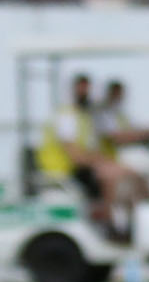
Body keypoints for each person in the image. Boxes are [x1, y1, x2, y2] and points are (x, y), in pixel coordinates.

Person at [35, 73, 138, 237]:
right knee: (111, 176)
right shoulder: (67, 116)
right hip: (63, 169)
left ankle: (130, 224)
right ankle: (111, 226)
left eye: (87, 89)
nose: (86, 94)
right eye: (82, 89)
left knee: (127, 174)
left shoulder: (83, 115)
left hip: (74, 166)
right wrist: (105, 161)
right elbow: (76, 155)